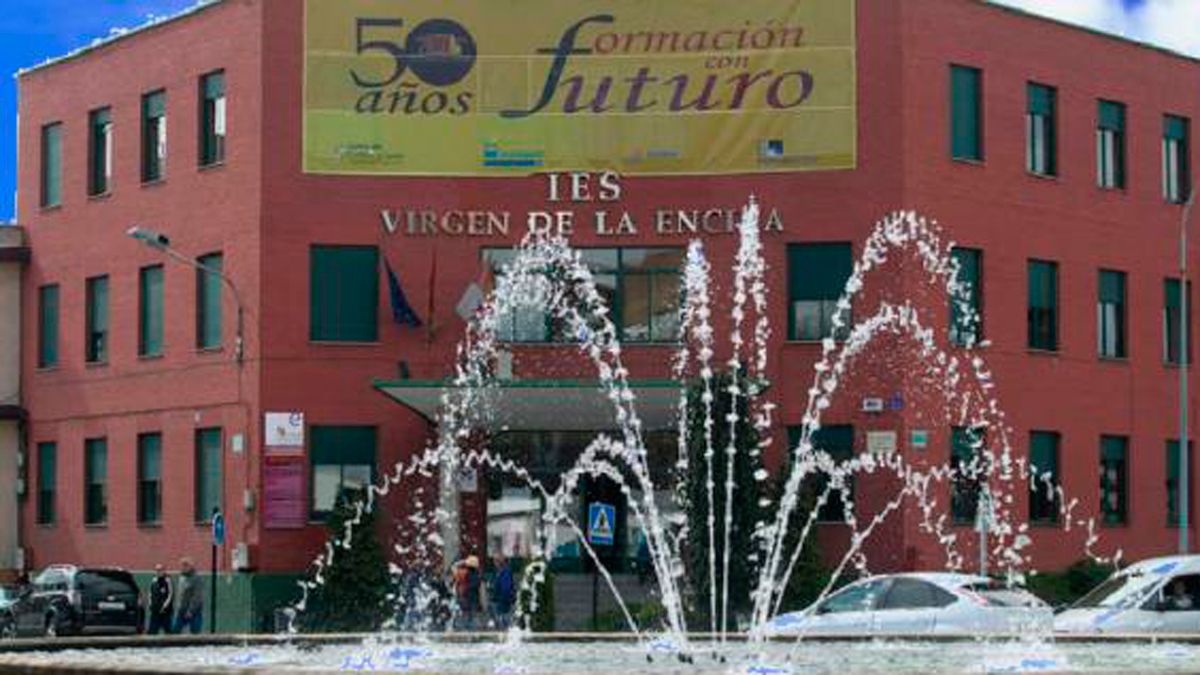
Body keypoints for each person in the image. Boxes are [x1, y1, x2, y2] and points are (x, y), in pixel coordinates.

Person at [173, 558, 204, 634]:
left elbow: (197, 596)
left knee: (195, 631)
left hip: (194, 611)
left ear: (191, 566)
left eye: (186, 565)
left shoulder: (196, 578)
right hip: (181, 609)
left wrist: (191, 610)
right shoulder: (182, 577)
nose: (183, 567)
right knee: (175, 630)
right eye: (182, 565)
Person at [489, 553, 516, 630]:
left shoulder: (505, 572)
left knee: (504, 624)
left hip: (503, 604)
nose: (494, 563)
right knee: (501, 623)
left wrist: (502, 601)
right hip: (500, 602)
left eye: (495, 561)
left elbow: (506, 589)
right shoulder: (499, 572)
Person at [147, 564, 173, 634]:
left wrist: (164, 607)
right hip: (155, 610)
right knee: (152, 630)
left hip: (165, 612)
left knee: (168, 630)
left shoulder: (168, 580)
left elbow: (170, 595)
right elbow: (150, 593)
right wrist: (150, 604)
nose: (158, 572)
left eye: (160, 570)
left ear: (164, 571)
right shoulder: (154, 580)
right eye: (157, 570)